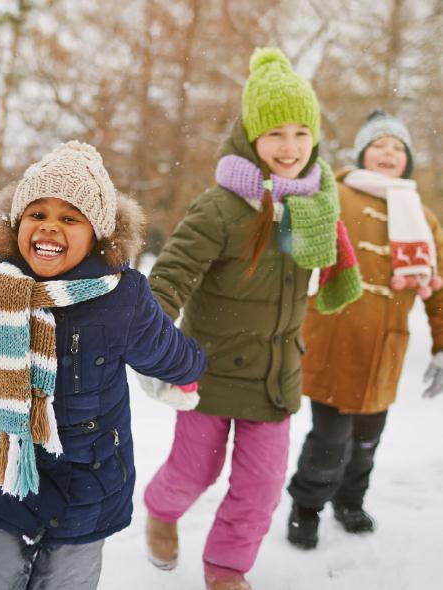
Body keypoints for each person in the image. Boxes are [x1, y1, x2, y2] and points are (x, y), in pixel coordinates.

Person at [0, 140, 206, 590]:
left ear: (97, 233)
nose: (49, 228)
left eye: (69, 218)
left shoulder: (122, 298)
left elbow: (164, 349)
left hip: (90, 477)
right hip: (7, 466)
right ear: (17, 223)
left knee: (67, 582)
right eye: (37, 215)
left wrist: (193, 365)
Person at [141, 48, 361, 590]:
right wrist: (149, 343)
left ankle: (225, 568)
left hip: (276, 376)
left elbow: (331, 271)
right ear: (250, 137)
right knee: (194, 473)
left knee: (260, 487)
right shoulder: (220, 208)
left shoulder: (316, 205)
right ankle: (160, 509)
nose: (289, 148)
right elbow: (169, 279)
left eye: (301, 134)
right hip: (208, 374)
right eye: (275, 134)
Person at [284, 110, 443, 550]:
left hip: (386, 349)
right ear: (362, 154)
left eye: (398, 147)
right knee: (330, 440)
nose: (389, 153)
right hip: (334, 340)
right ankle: (307, 506)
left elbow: (438, 286)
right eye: (379, 145)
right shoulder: (333, 193)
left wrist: (441, 344)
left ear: (407, 160)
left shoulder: (423, 218)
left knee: (368, 440)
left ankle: (350, 502)